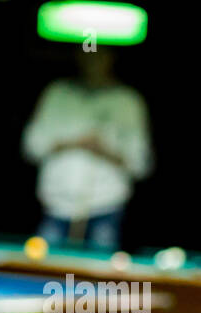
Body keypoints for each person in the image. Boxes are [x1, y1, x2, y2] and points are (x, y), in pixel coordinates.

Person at [22, 49, 152, 250]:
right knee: (42, 277)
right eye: (87, 55)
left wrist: (104, 149)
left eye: (98, 55)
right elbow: (31, 147)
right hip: (56, 205)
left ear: (111, 58)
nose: (92, 62)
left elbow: (141, 165)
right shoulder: (57, 93)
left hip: (105, 207)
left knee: (97, 279)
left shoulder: (128, 101)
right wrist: (73, 142)